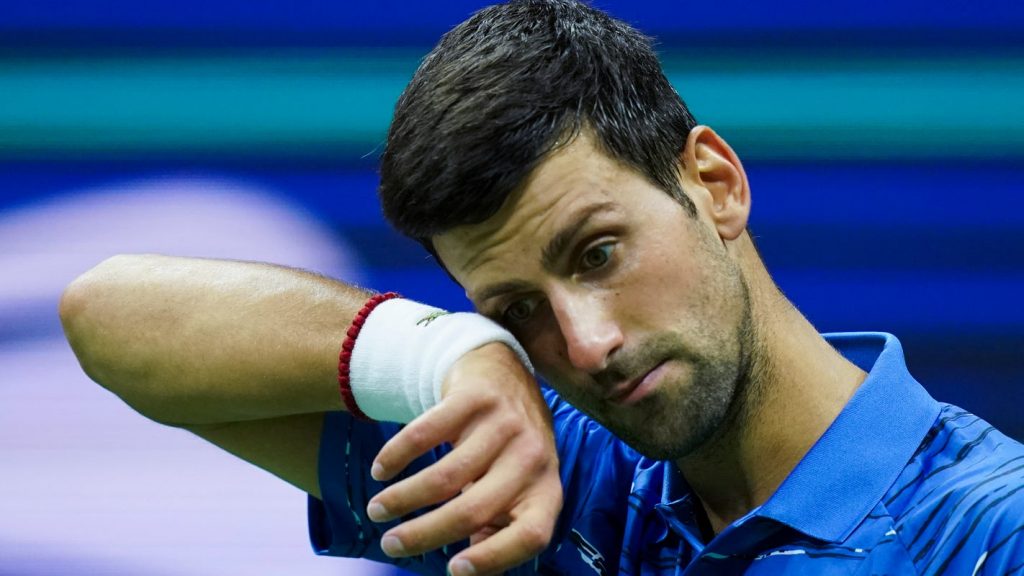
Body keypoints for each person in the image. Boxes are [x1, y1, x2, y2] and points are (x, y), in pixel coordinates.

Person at [61, 1, 1024, 575]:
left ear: (714, 184)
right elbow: (107, 314)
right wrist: (450, 354)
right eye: (517, 310)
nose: (588, 344)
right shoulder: (545, 474)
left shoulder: (991, 531)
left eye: (598, 252)